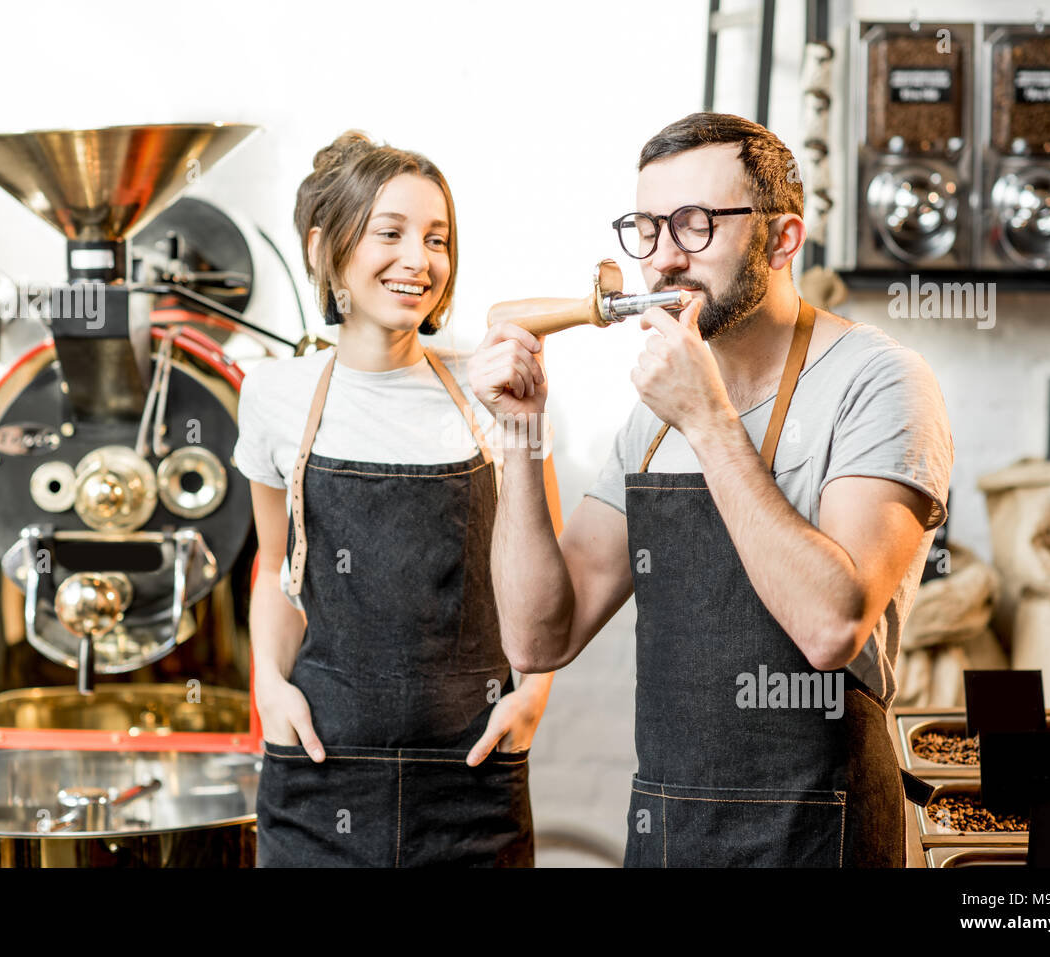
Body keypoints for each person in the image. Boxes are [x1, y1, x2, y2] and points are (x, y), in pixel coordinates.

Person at [469, 112, 953, 867]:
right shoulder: (651, 422)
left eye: (694, 225)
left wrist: (708, 418)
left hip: (820, 838)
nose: (662, 259)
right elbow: (538, 637)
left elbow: (832, 628)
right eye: (648, 228)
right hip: (671, 836)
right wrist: (521, 434)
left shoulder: (879, 383)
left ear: (783, 239)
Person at [235, 131, 560, 867]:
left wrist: (533, 693)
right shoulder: (274, 395)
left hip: (473, 781)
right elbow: (275, 567)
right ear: (325, 248)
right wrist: (268, 688)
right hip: (317, 777)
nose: (420, 260)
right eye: (392, 233)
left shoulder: (494, 392)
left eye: (437, 239)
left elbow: (549, 576)